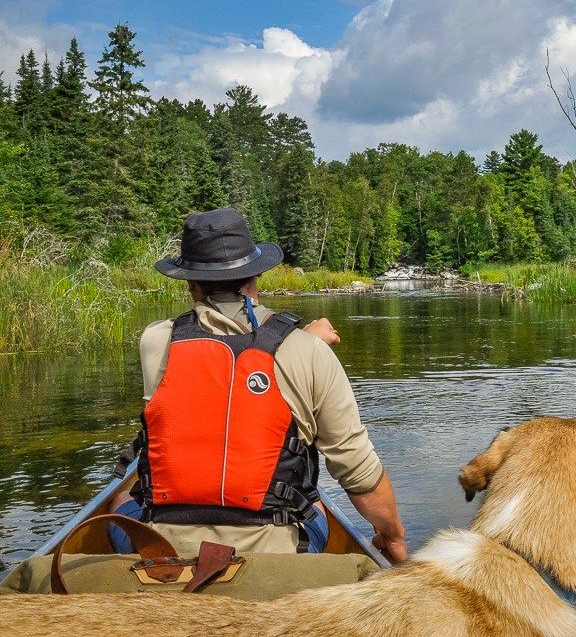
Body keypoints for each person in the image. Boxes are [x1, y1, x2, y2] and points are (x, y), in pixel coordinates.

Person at [108, 207, 408, 563]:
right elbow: (359, 473)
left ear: (190, 285)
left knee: (121, 497)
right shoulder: (307, 352)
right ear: (256, 277)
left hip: (166, 547)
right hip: (276, 552)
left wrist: (300, 345)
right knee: (313, 499)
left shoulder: (157, 341)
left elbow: (211, 384)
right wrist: (394, 536)